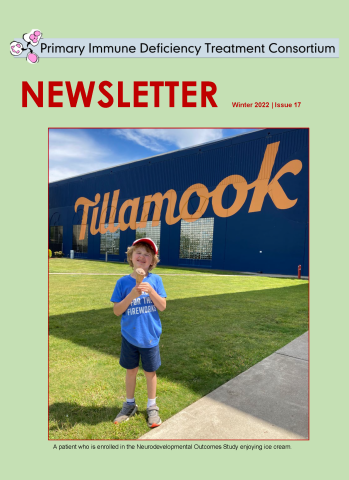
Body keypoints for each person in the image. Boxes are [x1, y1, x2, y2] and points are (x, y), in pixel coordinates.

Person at [110, 237, 167, 428]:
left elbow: (163, 306)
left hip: (150, 336)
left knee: (150, 372)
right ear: (131, 257)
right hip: (130, 337)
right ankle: (129, 404)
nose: (142, 257)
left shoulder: (156, 280)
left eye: (147, 254)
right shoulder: (123, 282)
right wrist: (132, 295)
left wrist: (151, 291)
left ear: (152, 261)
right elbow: (117, 311)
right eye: (138, 253)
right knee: (131, 371)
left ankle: (152, 406)